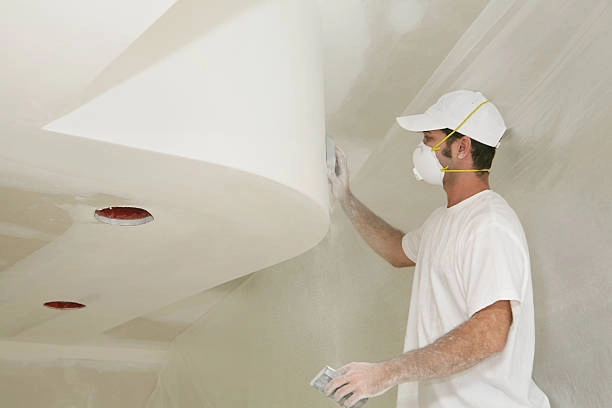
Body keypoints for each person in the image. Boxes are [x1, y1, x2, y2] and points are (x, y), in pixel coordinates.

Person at [324, 90, 550, 408]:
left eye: (429, 139)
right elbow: (396, 250)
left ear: (461, 147)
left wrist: (386, 373)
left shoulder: (489, 224)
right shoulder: (442, 222)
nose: (422, 149)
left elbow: (491, 331)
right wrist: (345, 197)